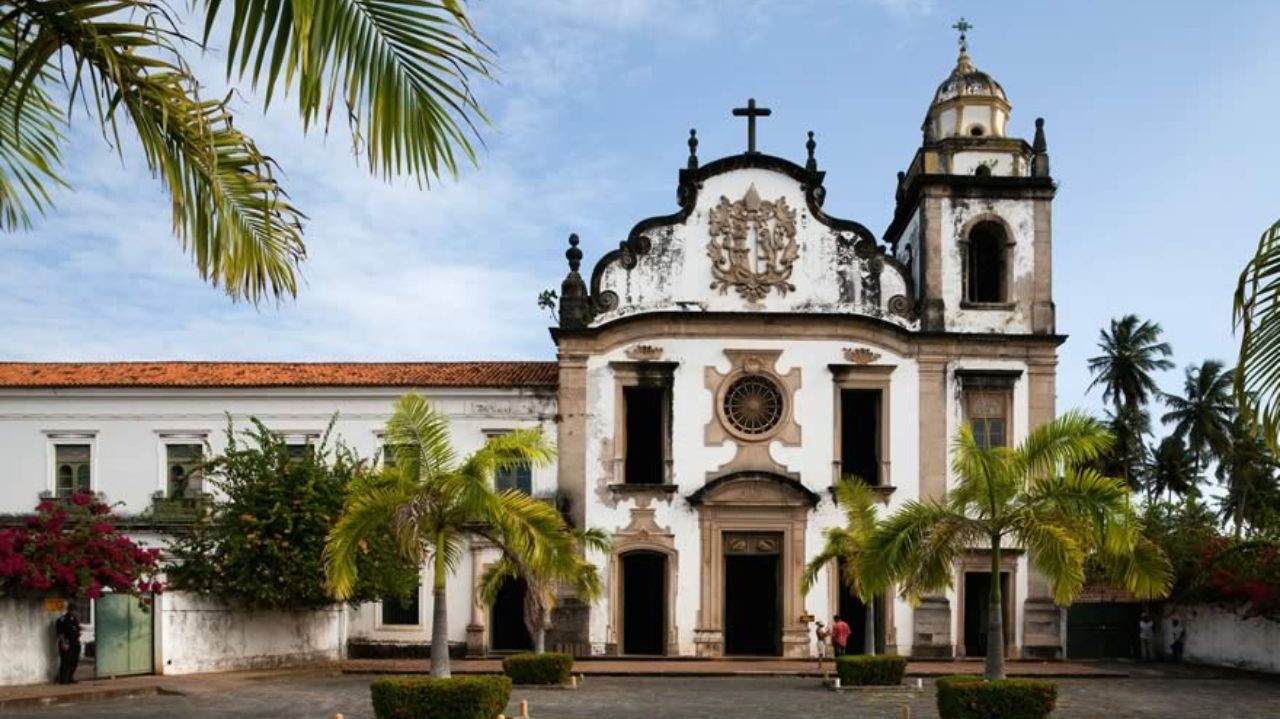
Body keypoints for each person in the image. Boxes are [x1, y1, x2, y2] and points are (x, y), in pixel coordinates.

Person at [55, 607, 82, 684]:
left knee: (74, 661)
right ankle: (63, 679)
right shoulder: (62, 620)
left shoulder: (74, 619)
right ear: (69, 610)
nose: (75, 612)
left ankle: (70, 677)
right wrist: (63, 643)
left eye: (75, 611)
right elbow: (60, 633)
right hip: (67, 642)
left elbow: (77, 629)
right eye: (73, 610)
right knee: (66, 661)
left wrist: (79, 633)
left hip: (75, 642)